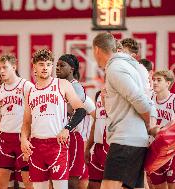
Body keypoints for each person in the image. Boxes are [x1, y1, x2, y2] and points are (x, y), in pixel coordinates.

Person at [92, 33, 153, 189]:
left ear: (97, 50)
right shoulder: (130, 65)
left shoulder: (115, 68)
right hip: (134, 139)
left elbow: (140, 100)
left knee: (107, 186)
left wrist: (150, 123)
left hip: (125, 140)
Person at [20, 49, 87, 189]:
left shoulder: (62, 84)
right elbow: (26, 122)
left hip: (57, 143)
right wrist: (24, 139)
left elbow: (81, 110)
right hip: (36, 145)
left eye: (49, 64)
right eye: (41, 64)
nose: (45, 67)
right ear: (34, 67)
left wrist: (67, 128)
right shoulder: (30, 91)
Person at [0, 54, 33, 189]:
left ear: (14, 67)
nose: (1, 71)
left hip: (23, 138)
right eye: (0, 68)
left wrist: (30, 138)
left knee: (28, 184)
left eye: (5, 67)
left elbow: (34, 115)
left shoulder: (26, 86)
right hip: (5, 140)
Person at [147, 70, 175, 189]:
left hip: (170, 153)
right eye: (154, 80)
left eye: (159, 80)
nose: (155, 82)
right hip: (153, 151)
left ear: (168, 83)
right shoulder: (149, 97)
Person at [56, 54, 88, 189]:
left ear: (71, 69)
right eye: (57, 65)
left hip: (73, 137)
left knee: (71, 179)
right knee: (57, 178)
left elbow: (77, 110)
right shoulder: (58, 86)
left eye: (62, 65)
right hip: (57, 136)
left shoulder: (77, 87)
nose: (57, 68)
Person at [85, 90, 109, 189]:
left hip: (112, 148)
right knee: (92, 185)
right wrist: (88, 148)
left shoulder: (120, 93)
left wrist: (105, 101)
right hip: (98, 147)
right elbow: (96, 122)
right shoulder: (99, 94)